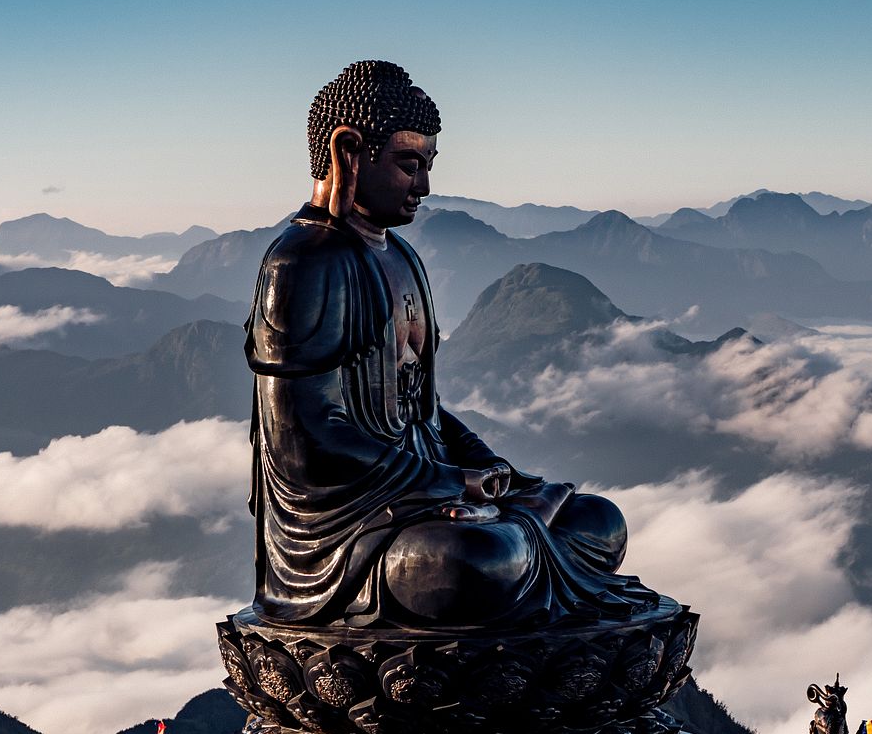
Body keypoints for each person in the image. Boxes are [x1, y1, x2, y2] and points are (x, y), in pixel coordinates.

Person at [246, 60, 656, 628]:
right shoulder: (305, 261)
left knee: (596, 521)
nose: (425, 187)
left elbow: (424, 411)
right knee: (476, 561)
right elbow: (306, 442)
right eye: (408, 165)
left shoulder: (402, 256)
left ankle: (521, 533)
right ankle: (517, 541)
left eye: (429, 165)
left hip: (426, 493)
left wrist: (491, 469)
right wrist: (449, 484)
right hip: (348, 532)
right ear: (347, 153)